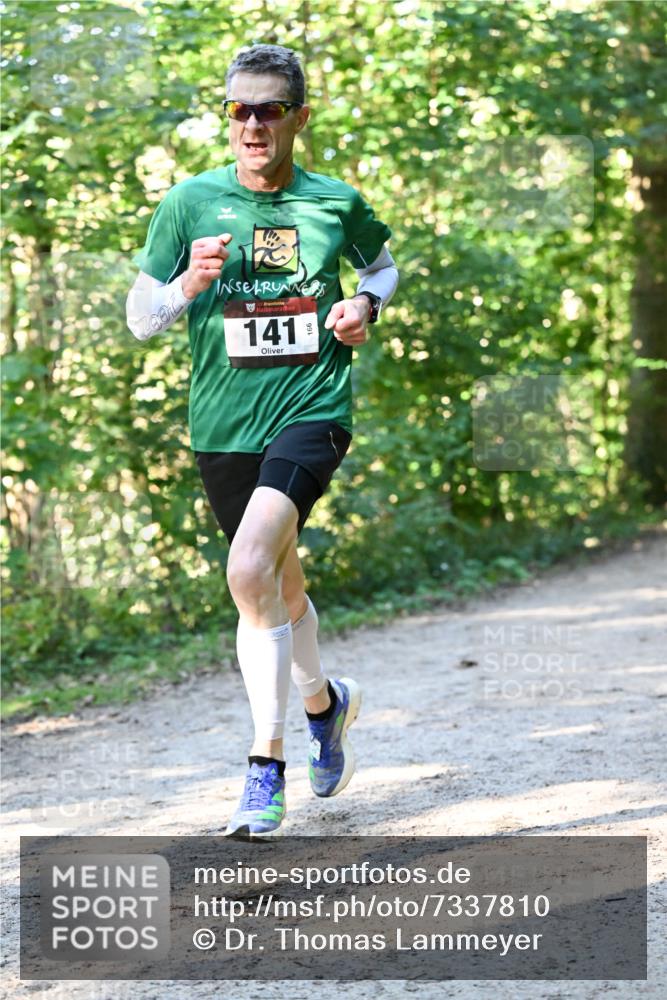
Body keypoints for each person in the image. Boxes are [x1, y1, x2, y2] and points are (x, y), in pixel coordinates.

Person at [126, 44, 398, 837]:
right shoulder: (187, 204)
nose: (251, 124)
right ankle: (326, 703)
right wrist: (187, 286)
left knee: (245, 568)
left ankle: (262, 766)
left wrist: (364, 310)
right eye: (238, 110)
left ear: (297, 119)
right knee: (274, 590)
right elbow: (142, 319)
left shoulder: (335, 202)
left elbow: (379, 270)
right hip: (221, 426)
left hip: (312, 410)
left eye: (268, 110)